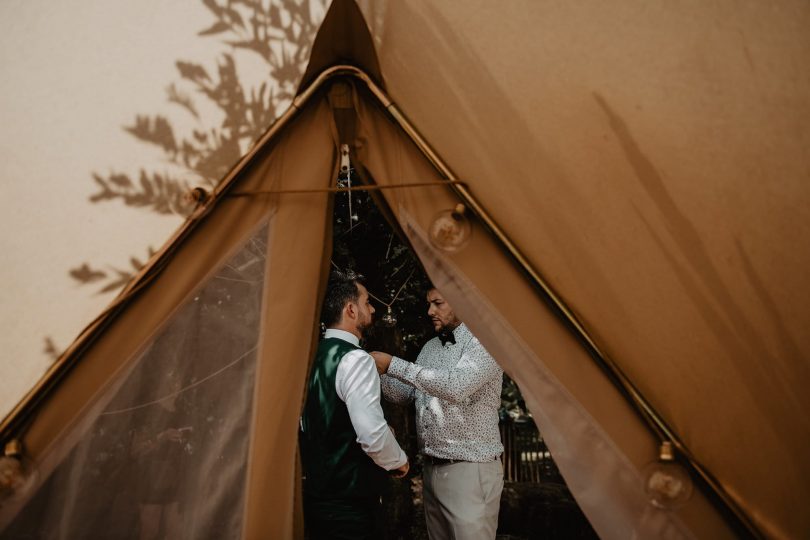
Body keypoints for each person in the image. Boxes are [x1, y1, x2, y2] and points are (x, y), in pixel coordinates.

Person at [372, 287, 504, 540]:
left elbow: (456, 387)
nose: (430, 311)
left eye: (438, 303)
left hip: (469, 469)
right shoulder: (430, 347)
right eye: (428, 303)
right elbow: (410, 394)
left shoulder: (486, 341)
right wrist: (373, 373)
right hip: (432, 469)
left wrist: (393, 364)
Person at [299, 270, 409, 540]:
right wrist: (399, 461)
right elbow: (372, 434)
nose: (372, 309)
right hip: (351, 505)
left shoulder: (309, 357)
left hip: (314, 497)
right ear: (350, 309)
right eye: (367, 302)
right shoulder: (356, 360)